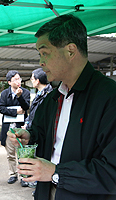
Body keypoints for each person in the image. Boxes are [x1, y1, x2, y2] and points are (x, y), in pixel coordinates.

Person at [7, 14, 116, 200]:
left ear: (71, 51)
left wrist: (56, 173)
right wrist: (30, 137)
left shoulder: (108, 97)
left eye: (45, 53)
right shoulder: (53, 98)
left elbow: (111, 172)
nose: (41, 62)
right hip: (46, 191)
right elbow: (46, 136)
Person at [20, 68, 53, 192]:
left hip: (42, 133)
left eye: (32, 78)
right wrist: (27, 125)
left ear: (38, 81)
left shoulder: (49, 96)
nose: (31, 81)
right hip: (33, 130)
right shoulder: (39, 94)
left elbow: (43, 118)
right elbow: (33, 113)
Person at [0, 70, 30, 184]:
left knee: (21, 153)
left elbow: (26, 106)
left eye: (19, 78)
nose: (18, 81)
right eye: (15, 79)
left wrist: (19, 96)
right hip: (8, 128)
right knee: (10, 154)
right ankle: (12, 174)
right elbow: (1, 108)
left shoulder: (25, 92)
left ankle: (23, 176)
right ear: (9, 82)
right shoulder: (4, 94)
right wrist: (15, 111)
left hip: (20, 128)